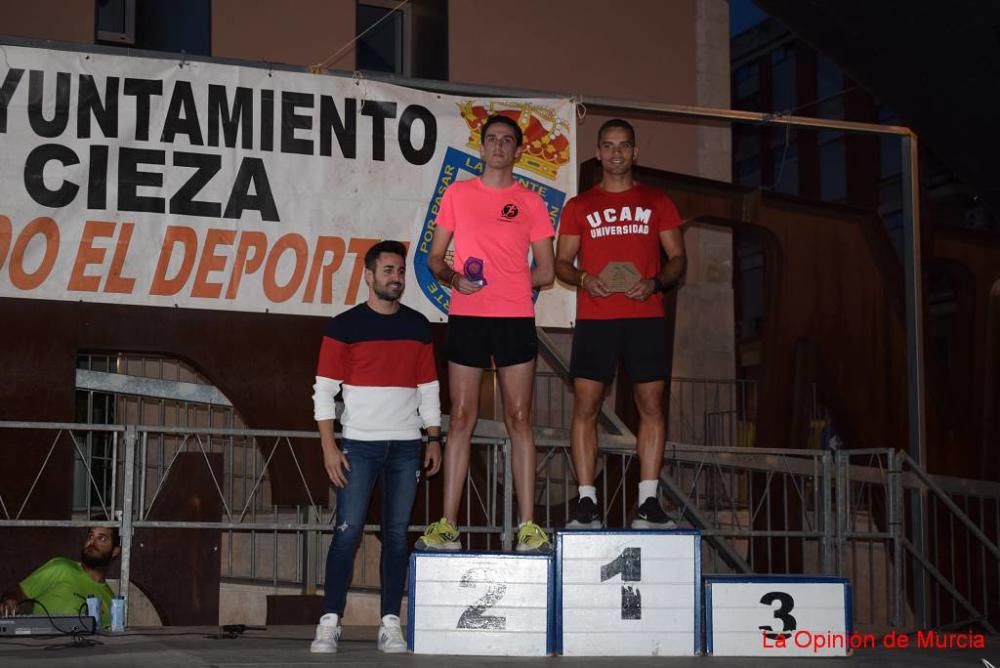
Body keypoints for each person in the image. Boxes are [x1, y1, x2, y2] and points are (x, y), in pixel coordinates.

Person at [416, 114, 556, 553]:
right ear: (481, 148)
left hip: (514, 317)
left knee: (519, 417)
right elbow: (435, 259)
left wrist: (515, 282)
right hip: (468, 316)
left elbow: (547, 271)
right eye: (491, 139)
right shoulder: (457, 194)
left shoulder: (531, 203)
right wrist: (455, 279)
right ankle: (447, 525)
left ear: (518, 151)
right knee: (460, 417)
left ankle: (528, 528)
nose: (498, 146)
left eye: (507, 140)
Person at [310, 240, 442, 654]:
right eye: (388, 270)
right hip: (358, 448)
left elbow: (429, 390)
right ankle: (329, 622)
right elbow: (323, 392)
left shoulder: (419, 326)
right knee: (346, 535)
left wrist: (433, 437)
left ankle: (390, 623)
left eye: (400, 271)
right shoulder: (343, 326)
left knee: (398, 538)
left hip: (406, 448)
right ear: (368, 276)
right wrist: (330, 448)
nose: (396, 278)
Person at [555, 118, 687, 529]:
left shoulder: (657, 201)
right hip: (597, 318)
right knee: (585, 407)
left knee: (651, 406)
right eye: (608, 146)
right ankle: (587, 502)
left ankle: (648, 502)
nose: (616, 153)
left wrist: (654, 282)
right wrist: (582, 278)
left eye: (623, 146)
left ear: (635, 152)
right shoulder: (580, 206)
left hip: (645, 317)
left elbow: (679, 259)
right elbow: (561, 262)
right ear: (598, 153)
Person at [1, 526, 119, 626]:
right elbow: (17, 592)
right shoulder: (61, 567)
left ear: (115, 551)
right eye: (90, 536)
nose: (92, 543)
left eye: (102, 538)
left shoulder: (111, 600)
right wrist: (10, 600)